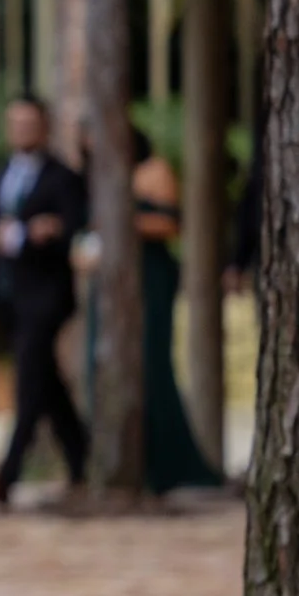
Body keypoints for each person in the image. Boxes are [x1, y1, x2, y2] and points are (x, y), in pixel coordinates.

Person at [76, 128, 224, 493]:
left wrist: (121, 222)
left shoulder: (153, 170)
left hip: (150, 275)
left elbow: (170, 223)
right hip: (107, 280)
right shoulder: (95, 177)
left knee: (151, 363)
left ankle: (169, 464)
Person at [0, 98, 88, 506]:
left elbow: (75, 229)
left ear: (44, 127)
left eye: (28, 124)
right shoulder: (1, 174)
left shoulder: (63, 178)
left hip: (48, 296)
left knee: (30, 382)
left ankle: (7, 475)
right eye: (14, 123)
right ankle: (81, 458)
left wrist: (41, 234)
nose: (20, 131)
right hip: (11, 295)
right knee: (47, 384)